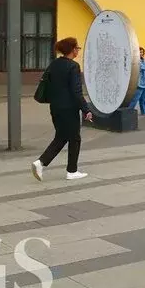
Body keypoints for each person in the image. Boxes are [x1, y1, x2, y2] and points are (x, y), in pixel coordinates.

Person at [32, 37, 94, 181]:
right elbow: (76, 91)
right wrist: (86, 109)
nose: (78, 50)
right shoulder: (73, 66)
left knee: (62, 136)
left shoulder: (54, 64)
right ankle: (66, 169)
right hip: (69, 108)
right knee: (74, 138)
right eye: (77, 48)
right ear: (72, 50)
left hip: (55, 107)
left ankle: (44, 164)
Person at [128, 47, 145, 115]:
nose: (141, 53)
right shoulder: (136, 61)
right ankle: (129, 111)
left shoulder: (144, 61)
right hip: (139, 83)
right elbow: (140, 68)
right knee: (135, 99)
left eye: (142, 52)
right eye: (140, 52)